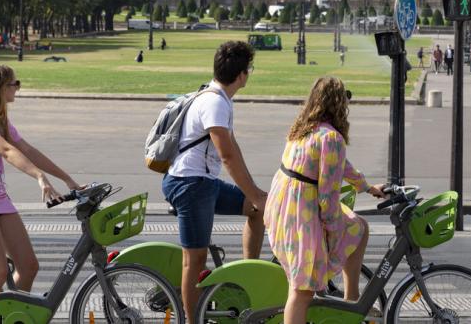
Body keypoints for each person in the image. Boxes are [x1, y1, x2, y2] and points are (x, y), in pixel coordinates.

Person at [0, 64, 79, 324]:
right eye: (14, 83)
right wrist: (39, 177)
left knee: (29, 266)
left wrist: (68, 180)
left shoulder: (0, 119)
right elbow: (7, 151)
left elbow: (27, 150)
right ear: (0, 87)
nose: (18, 88)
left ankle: (11, 318)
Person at [264, 77, 384, 324]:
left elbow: (340, 165)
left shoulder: (302, 129)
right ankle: (351, 302)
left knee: (358, 226)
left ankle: (352, 300)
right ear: (340, 104)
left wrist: (367, 187)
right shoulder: (331, 138)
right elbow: (328, 197)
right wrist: (332, 231)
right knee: (302, 290)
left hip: (283, 207)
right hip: (303, 213)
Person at [162, 41, 267, 322]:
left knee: (257, 210)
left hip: (202, 182)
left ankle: (247, 273)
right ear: (242, 74)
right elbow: (228, 157)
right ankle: (191, 319)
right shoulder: (214, 102)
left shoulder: (220, 99)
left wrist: (255, 193)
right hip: (189, 185)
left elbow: (234, 150)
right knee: (194, 261)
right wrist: (254, 193)